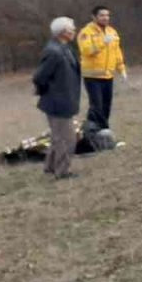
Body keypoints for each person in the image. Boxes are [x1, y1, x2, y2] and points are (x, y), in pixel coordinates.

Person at [32, 16, 82, 180]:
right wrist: (50, 92)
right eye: (72, 29)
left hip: (65, 99)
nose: (74, 31)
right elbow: (39, 77)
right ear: (63, 32)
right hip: (57, 102)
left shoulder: (64, 48)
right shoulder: (53, 52)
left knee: (57, 137)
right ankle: (62, 172)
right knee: (67, 139)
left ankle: (50, 166)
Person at [76, 4, 127, 130]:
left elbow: (117, 51)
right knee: (96, 106)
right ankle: (101, 129)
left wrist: (121, 68)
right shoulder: (86, 32)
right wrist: (102, 42)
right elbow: (86, 50)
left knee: (106, 105)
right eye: (102, 15)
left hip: (108, 75)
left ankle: (96, 129)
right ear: (94, 17)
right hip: (92, 75)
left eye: (107, 15)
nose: (105, 18)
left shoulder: (112, 31)